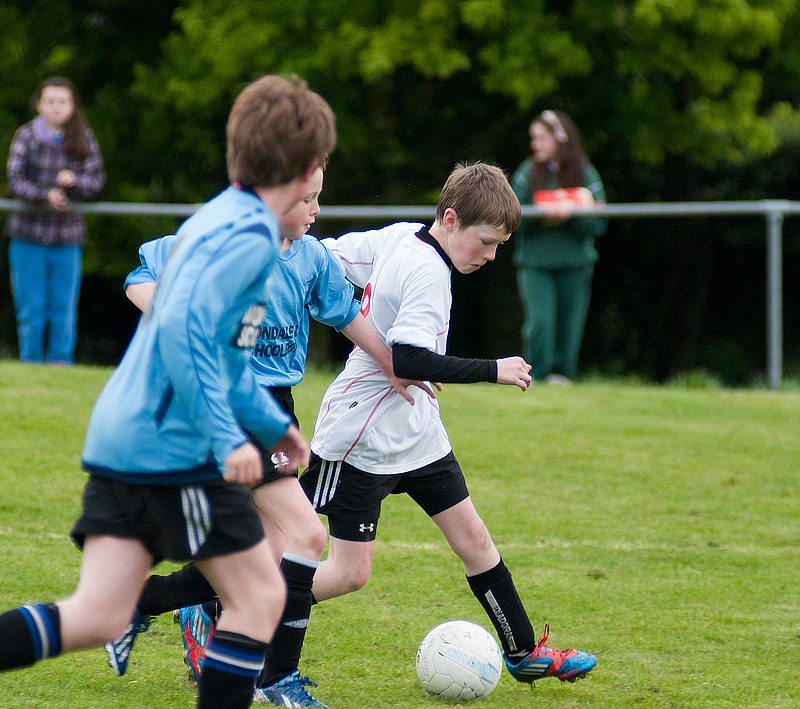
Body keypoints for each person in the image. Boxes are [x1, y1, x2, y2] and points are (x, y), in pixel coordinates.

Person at [0, 74, 336, 709]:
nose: (318, 200)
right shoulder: (251, 240)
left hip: (121, 434)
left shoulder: (218, 218)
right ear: (297, 171)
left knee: (99, 614)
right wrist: (223, 438)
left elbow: (226, 353)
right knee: (260, 596)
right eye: (315, 187)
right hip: (171, 446)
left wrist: (271, 428)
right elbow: (185, 337)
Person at [106, 163, 430, 708]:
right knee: (307, 537)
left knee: (266, 559)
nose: (317, 211)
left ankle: (141, 603)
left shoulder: (309, 258)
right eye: (309, 201)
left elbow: (348, 314)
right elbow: (142, 274)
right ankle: (277, 678)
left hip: (277, 411)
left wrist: (394, 365)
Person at [299, 162, 597, 686]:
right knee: (342, 571)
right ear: (452, 219)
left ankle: (523, 652)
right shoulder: (429, 271)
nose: (490, 255)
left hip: (418, 434)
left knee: (474, 540)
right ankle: (225, 610)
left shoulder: (401, 238)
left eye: (499, 246)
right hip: (359, 439)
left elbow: (324, 256)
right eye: (485, 242)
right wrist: (493, 370)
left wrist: (366, 321)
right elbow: (410, 360)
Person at [5, 76, 106, 366]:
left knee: (63, 308)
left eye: (62, 101)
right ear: (39, 105)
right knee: (31, 309)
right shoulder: (26, 136)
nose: (56, 107)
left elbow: (97, 180)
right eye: (50, 101)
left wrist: (76, 181)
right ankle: (31, 366)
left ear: (72, 106)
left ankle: (62, 366)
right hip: (27, 236)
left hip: (68, 237)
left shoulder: (84, 137)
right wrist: (44, 194)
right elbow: (14, 181)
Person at [510, 109, 607, 386]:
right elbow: (511, 217)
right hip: (535, 264)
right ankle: (536, 377)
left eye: (541, 138)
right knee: (540, 322)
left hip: (575, 263)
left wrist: (572, 215)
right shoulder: (527, 172)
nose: (535, 144)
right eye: (534, 138)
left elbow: (598, 224)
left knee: (570, 326)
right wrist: (542, 214)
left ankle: (563, 377)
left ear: (560, 139)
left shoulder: (585, 172)